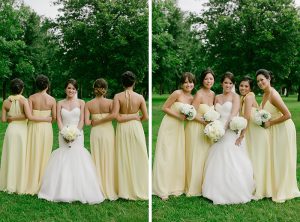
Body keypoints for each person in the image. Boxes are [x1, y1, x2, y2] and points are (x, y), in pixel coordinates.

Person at [38, 79, 104, 204]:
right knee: (64, 157)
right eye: (69, 88)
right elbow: (58, 120)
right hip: (63, 133)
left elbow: (82, 121)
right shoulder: (60, 103)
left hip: (78, 134)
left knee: (78, 157)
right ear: (65, 89)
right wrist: (64, 133)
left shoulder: (81, 103)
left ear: (76, 90)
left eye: (73, 88)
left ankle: (81, 190)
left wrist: (75, 134)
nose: (71, 90)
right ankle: (61, 190)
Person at [202, 72, 254, 204]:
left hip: (229, 131)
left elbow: (232, 114)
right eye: (226, 82)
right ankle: (214, 189)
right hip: (218, 129)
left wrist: (222, 131)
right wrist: (213, 127)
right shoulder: (217, 97)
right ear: (221, 83)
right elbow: (215, 114)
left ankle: (235, 190)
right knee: (216, 158)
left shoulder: (236, 97)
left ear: (233, 84)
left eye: (231, 83)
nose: (228, 85)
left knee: (232, 158)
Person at [256, 69, 300, 202]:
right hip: (275, 129)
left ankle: (283, 188)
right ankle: (273, 186)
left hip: (283, 129)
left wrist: (270, 123)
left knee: (282, 159)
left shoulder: (273, 95)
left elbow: (288, 115)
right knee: (275, 158)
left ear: (269, 78)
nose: (260, 83)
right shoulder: (265, 94)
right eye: (258, 81)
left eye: (262, 79)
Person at [0, 78, 51, 194]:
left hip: (11, 130)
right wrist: (46, 119)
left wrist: (11, 118)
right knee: (21, 156)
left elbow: (3, 120)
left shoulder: (5, 102)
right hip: (22, 131)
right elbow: (28, 116)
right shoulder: (24, 101)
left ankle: (8, 182)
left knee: (10, 155)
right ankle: (19, 183)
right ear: (22, 89)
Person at [152, 72, 195, 200]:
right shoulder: (177, 93)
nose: (188, 84)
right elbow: (164, 108)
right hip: (169, 125)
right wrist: (179, 116)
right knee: (166, 155)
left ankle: (175, 186)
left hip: (180, 129)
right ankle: (162, 188)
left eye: (191, 82)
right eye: (186, 82)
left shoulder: (192, 98)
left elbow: (190, 116)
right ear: (182, 83)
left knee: (177, 155)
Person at [113, 71, 148, 200]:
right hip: (135, 126)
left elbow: (117, 117)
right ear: (134, 82)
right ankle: (139, 186)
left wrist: (125, 117)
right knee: (138, 155)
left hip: (122, 128)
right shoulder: (139, 97)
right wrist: (134, 116)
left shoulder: (117, 96)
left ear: (122, 83)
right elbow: (146, 117)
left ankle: (124, 189)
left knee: (123, 156)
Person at [237, 76, 272, 199]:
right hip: (251, 131)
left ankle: (261, 188)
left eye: (246, 86)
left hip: (256, 132)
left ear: (250, 88)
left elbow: (246, 117)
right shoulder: (243, 97)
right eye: (241, 85)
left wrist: (241, 134)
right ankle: (255, 184)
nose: (243, 88)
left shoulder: (249, 96)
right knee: (252, 157)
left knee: (257, 158)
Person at [85, 78, 118, 201]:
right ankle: (109, 186)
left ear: (94, 89)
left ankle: (97, 187)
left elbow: (87, 122)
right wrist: (102, 120)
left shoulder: (88, 104)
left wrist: (96, 121)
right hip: (108, 131)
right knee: (108, 157)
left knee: (96, 158)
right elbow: (114, 116)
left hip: (96, 133)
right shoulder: (110, 102)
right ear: (105, 89)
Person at [185, 69, 215, 197]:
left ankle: (205, 184)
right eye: (206, 79)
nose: (209, 81)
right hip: (196, 128)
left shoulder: (213, 94)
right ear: (202, 80)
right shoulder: (199, 94)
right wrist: (205, 122)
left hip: (208, 130)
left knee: (206, 157)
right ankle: (194, 186)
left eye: (211, 79)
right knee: (197, 156)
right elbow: (191, 114)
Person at [25, 75, 57, 195]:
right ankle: (43, 181)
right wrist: (45, 119)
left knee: (33, 152)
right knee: (44, 153)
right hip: (46, 129)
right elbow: (53, 118)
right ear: (47, 86)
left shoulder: (31, 98)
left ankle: (30, 179)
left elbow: (29, 116)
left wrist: (36, 119)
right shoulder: (52, 100)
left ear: (37, 85)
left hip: (33, 127)